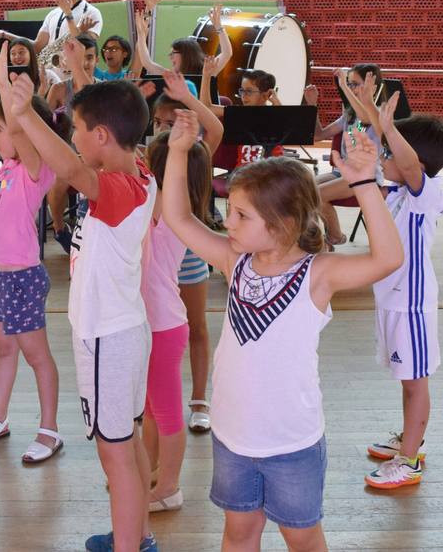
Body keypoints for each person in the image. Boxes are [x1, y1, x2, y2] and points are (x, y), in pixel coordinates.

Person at [161, 109, 402, 552]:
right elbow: (178, 217)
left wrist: (365, 183)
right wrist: (177, 153)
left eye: (240, 215)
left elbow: (387, 259)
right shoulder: (236, 263)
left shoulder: (318, 274)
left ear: (281, 223)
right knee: (238, 534)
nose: (227, 222)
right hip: (233, 436)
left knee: (302, 538)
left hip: (292, 443)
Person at [8, 75, 160, 552]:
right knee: (127, 442)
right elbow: (79, 167)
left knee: (114, 456)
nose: (72, 136)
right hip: (125, 331)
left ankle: (129, 545)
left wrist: (25, 115)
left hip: (106, 339)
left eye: (75, 128)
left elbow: (73, 172)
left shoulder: (118, 188)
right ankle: (138, 535)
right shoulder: (140, 173)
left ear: (100, 136)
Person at [332, 84, 443, 490]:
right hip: (392, 300)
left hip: (412, 305)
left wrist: (388, 128)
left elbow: (412, 166)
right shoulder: (398, 192)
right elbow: (387, 158)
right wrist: (368, 112)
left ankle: (410, 459)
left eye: (391, 153)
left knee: (416, 383)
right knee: (406, 378)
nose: (384, 158)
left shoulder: (425, 194)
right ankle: (409, 439)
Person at [0, 30, 66, 464]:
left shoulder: (36, 169)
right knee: (4, 349)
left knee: (37, 356)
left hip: (21, 276)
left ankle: (50, 429)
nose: (3, 128)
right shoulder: (9, 163)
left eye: (14, 123)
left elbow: (18, 127)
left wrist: (9, 90)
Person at [140, 125, 216, 516]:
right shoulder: (165, 207)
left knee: (166, 412)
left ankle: (169, 487)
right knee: (151, 409)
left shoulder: (172, 211)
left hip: (163, 325)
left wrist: (176, 152)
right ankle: (152, 472)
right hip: (151, 323)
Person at [147, 71, 223, 440]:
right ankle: (159, 398)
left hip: (190, 258)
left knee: (195, 327)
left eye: (170, 122)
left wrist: (188, 100)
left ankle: (199, 400)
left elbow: (215, 129)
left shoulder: (195, 155)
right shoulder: (149, 159)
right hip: (154, 262)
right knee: (159, 333)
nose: (163, 129)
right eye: (158, 122)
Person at [315, 64, 385, 245]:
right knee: (302, 189)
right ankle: (316, 239)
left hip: (365, 176)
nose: (352, 88)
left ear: (372, 87)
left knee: (317, 195)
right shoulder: (349, 115)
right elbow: (319, 135)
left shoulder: (377, 113)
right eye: (350, 84)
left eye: (355, 84)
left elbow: (365, 119)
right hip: (343, 173)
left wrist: (343, 86)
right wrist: (313, 104)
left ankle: (335, 237)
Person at [44, 34, 99, 252]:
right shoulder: (59, 90)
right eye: (80, 57)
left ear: (96, 60)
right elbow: (45, 125)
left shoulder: (104, 89)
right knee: (58, 180)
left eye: (90, 57)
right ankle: (60, 229)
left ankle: (93, 230)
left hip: (96, 159)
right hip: (67, 157)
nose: (85, 63)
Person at [34, 0, 103, 77]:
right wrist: (6, 35)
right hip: (49, 77)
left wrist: (68, 13)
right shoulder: (53, 14)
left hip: (74, 77)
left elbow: (87, 48)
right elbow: (37, 46)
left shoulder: (91, 12)